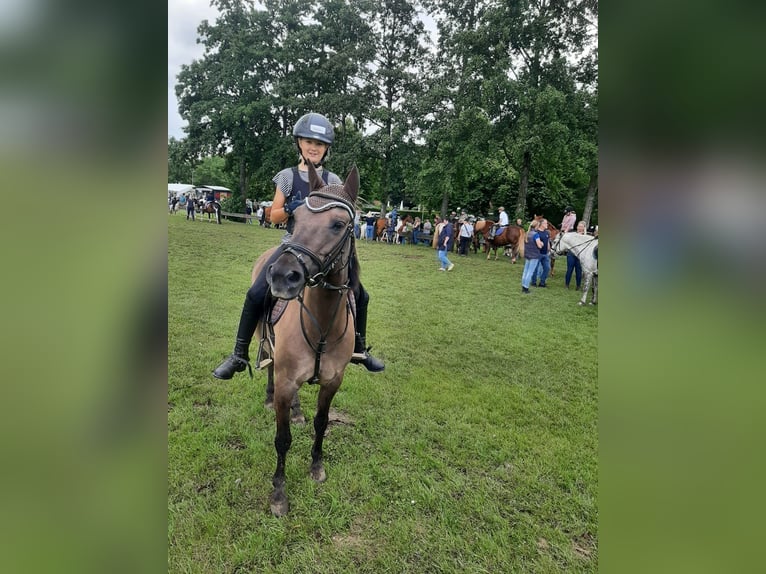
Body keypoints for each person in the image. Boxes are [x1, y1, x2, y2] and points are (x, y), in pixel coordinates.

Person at [212, 113, 385, 379]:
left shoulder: (334, 180)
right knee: (257, 292)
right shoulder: (287, 177)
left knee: (361, 294)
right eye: (308, 142)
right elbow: (274, 215)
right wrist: (295, 208)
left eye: (320, 144)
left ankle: (358, 349)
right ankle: (238, 353)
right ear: (299, 144)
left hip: (325, 248)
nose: (314, 147)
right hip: (293, 243)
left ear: (327, 149)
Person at [520, 220, 542, 293]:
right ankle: (526, 288)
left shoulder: (527, 233)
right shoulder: (536, 235)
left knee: (525, 271)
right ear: (536, 226)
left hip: (528, 254)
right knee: (530, 272)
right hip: (534, 255)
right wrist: (542, 244)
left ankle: (523, 286)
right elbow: (539, 245)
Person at [565, 221, 586, 290]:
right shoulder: (573, 234)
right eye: (579, 226)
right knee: (569, 270)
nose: (580, 228)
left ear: (584, 228)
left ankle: (578, 285)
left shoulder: (585, 236)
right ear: (577, 227)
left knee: (578, 271)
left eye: (581, 227)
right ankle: (567, 285)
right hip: (571, 254)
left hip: (580, 256)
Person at [531, 219, 550, 287]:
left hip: (545, 254)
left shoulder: (547, 233)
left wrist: (549, 249)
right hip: (538, 253)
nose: (547, 225)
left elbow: (547, 242)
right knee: (535, 269)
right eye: (546, 223)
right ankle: (533, 282)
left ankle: (542, 282)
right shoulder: (537, 233)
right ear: (541, 224)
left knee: (547, 268)